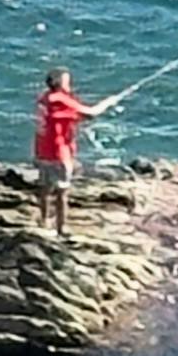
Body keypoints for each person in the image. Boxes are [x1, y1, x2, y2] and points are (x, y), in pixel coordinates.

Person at [32, 65, 117, 234]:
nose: (69, 84)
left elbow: (62, 117)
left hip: (42, 151)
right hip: (59, 153)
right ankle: (61, 228)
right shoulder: (61, 99)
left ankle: (43, 220)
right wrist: (108, 102)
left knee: (45, 187)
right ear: (59, 83)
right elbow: (90, 113)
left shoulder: (44, 98)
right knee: (62, 191)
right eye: (66, 81)